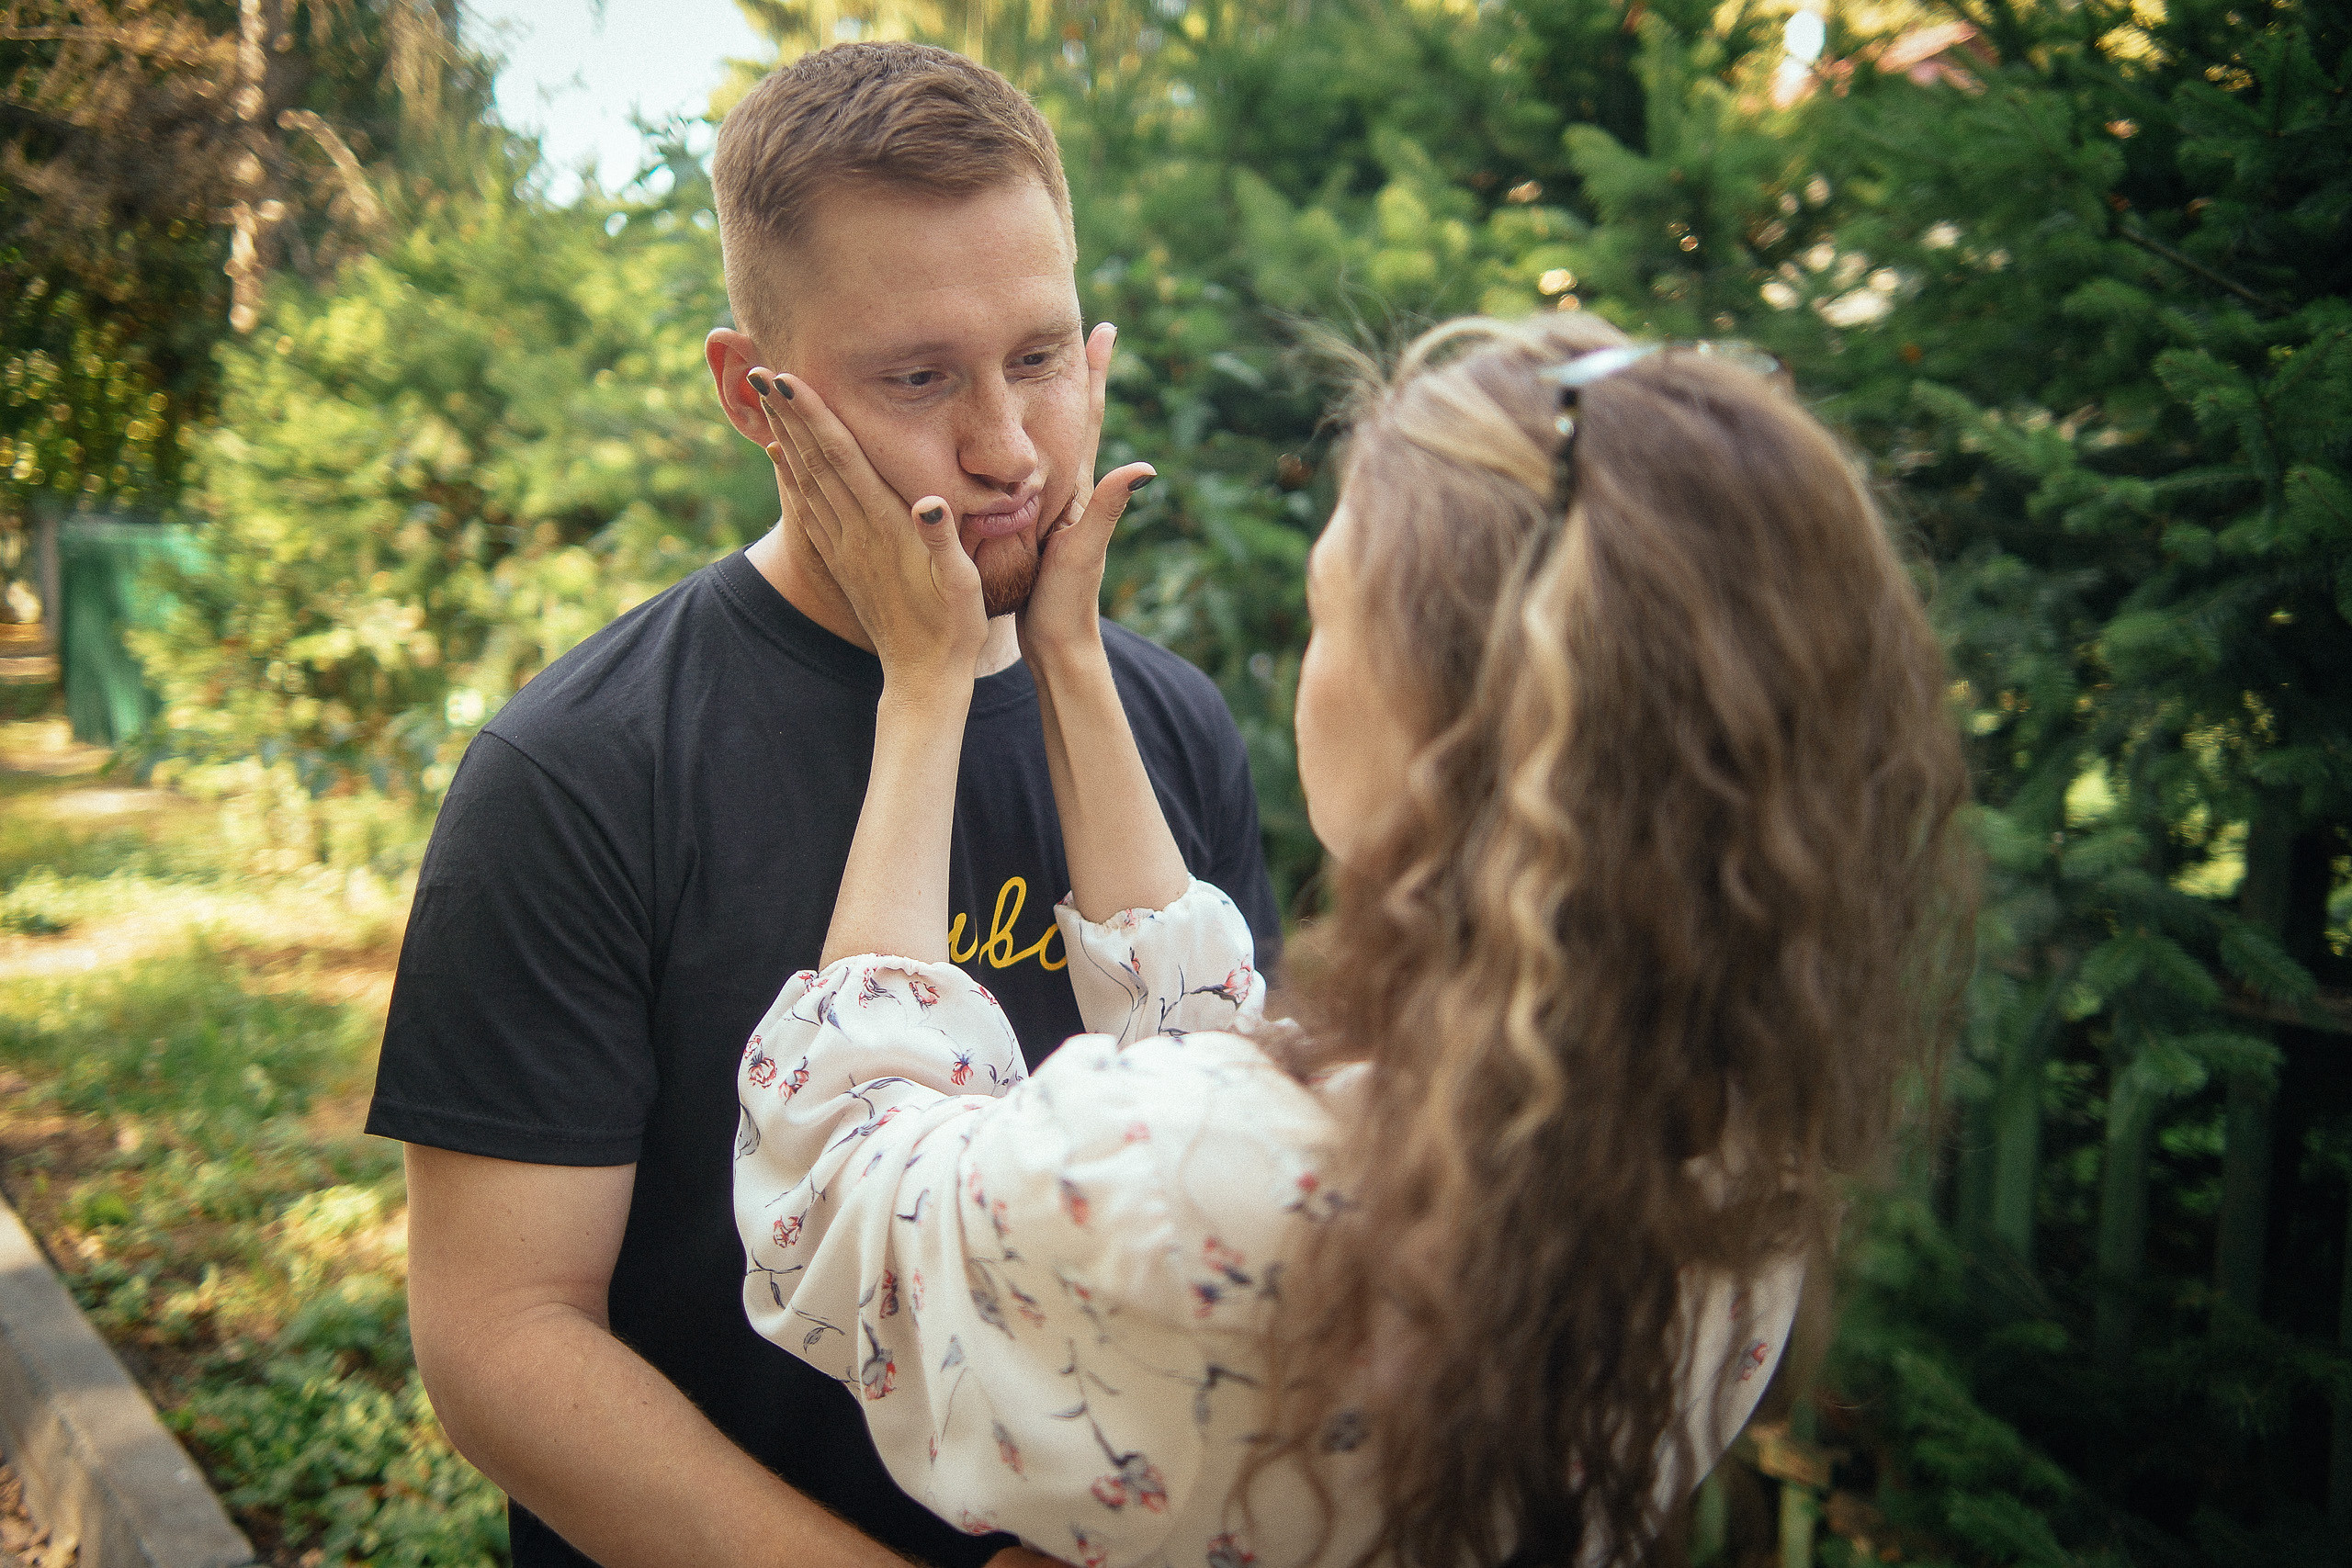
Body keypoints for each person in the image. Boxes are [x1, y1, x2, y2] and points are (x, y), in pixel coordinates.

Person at [729, 312, 1973, 1567]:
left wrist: (927, 683)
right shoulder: (1723, 1154)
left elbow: (837, 1184)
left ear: (1446, 717)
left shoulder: (1221, 1183)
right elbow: (1219, 1108)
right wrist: (1067, 654)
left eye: (1330, 611)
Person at [370, 42, 1283, 1568]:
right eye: (920, 378)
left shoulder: (1173, 729)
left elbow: (1227, 1234)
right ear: (753, 394)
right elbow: (503, 1342)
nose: (1004, 447)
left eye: (1041, 359)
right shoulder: (582, 772)